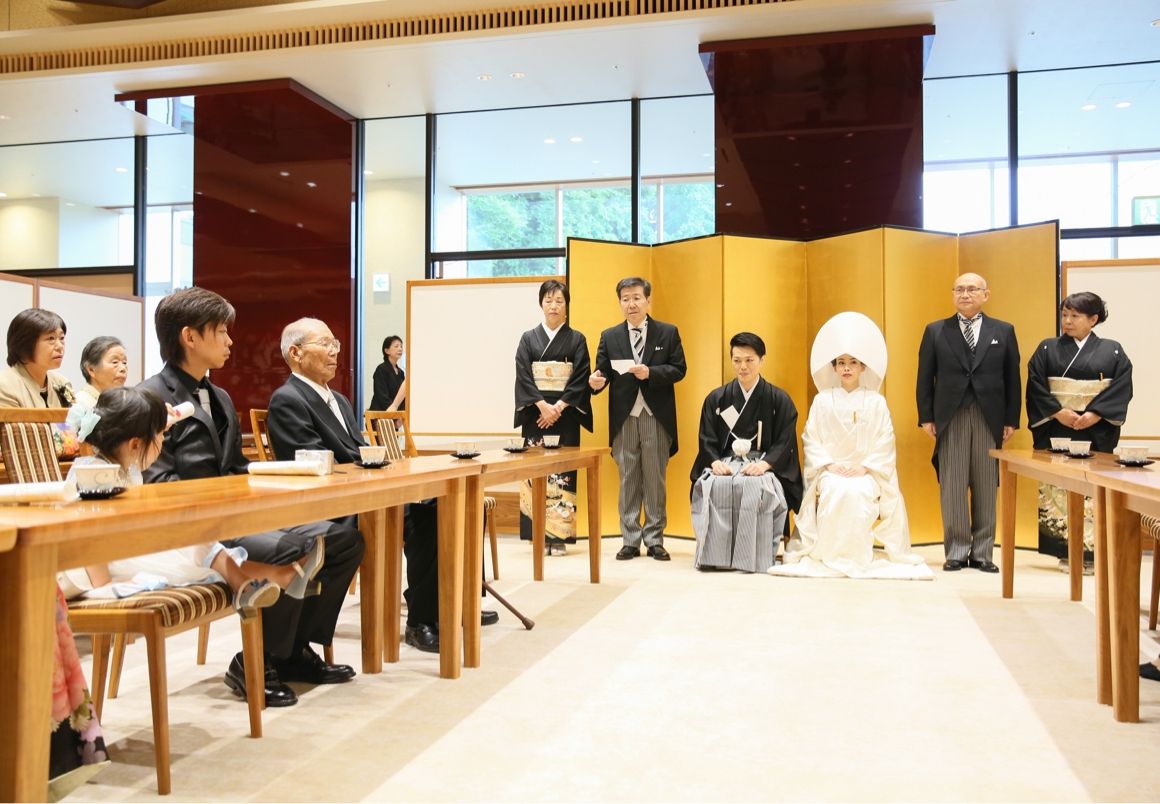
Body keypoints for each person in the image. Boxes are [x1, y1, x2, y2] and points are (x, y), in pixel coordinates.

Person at [139, 288, 364, 708]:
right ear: (190, 337)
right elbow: (157, 483)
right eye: (221, 332)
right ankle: (257, 660)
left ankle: (294, 650)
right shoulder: (150, 399)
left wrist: (276, 479)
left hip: (233, 517)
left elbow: (237, 467)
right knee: (292, 546)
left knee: (343, 539)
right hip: (192, 529)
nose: (231, 341)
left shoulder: (220, 396)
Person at [266, 317, 497, 655]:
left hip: (369, 494)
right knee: (427, 514)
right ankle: (421, 620)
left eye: (335, 344)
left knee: (455, 502)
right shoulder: (288, 399)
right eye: (325, 344)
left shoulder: (339, 400)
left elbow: (360, 452)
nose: (334, 352)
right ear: (296, 353)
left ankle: (453, 602)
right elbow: (314, 465)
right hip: (337, 505)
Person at [61, 386, 323, 612]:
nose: (163, 441)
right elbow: (89, 535)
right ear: (135, 444)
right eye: (160, 435)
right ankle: (260, 581)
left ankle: (261, 581)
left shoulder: (122, 466)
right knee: (197, 545)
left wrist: (162, 418)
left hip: (121, 552)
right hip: (103, 565)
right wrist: (104, 584)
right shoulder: (97, 476)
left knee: (199, 542)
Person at [770, 313, 931, 580]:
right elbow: (811, 438)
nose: (847, 368)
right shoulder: (822, 400)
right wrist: (829, 465)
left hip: (866, 472)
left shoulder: (876, 402)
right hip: (830, 470)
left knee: (857, 493)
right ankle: (829, 553)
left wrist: (865, 467)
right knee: (835, 490)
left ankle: (858, 556)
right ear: (834, 367)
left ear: (862, 367)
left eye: (853, 362)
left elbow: (885, 440)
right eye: (841, 363)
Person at [917, 272, 1021, 573]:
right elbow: (924, 376)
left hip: (990, 415)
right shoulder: (936, 330)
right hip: (950, 415)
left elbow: (1013, 378)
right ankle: (956, 551)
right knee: (952, 483)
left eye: (972, 289)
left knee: (987, 484)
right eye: (960, 289)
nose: (965, 294)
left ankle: (983, 553)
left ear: (985, 295)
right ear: (953, 294)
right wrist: (926, 416)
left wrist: (1011, 419)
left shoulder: (1003, 330)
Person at [1026, 292, 1132, 566]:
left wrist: (1096, 413)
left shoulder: (1113, 350)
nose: (1067, 321)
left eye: (1075, 316)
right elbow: (1035, 384)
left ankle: (1092, 553)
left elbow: (1122, 386)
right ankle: (1064, 552)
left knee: (1092, 490)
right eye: (1064, 315)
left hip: (1095, 430)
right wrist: (1057, 412)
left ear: (1093, 319)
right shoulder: (1047, 348)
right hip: (1057, 428)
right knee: (1057, 490)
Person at [589, 277, 686, 561]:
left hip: (656, 416)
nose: (631, 304)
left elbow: (679, 369)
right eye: (625, 299)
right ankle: (630, 539)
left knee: (655, 478)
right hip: (625, 417)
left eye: (636, 298)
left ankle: (655, 539)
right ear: (620, 302)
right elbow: (602, 372)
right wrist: (595, 381)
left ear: (648, 301)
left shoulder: (667, 332)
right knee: (628, 478)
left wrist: (651, 373)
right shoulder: (609, 336)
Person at [690, 332, 801, 573]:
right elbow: (706, 438)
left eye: (749, 360)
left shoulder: (778, 400)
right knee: (716, 484)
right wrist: (714, 462)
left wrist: (765, 464)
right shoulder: (717, 398)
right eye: (737, 360)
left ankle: (756, 555)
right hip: (725, 462)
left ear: (762, 360)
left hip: (763, 464)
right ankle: (715, 556)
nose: (743, 366)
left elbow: (785, 441)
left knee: (758, 486)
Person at [514, 279, 592, 555]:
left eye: (559, 301)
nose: (554, 306)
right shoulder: (528, 338)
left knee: (563, 473)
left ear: (566, 306)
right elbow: (523, 375)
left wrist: (557, 407)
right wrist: (541, 406)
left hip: (565, 414)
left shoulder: (577, 339)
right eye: (548, 301)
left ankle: (559, 536)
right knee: (535, 473)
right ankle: (537, 534)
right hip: (535, 415)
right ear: (541, 304)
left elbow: (581, 376)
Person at [0, 308, 76, 408]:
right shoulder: (4, 385)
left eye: (61, 338)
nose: (60, 346)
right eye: (51, 338)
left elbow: (74, 417)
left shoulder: (61, 382)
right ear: (25, 343)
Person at [74, 336, 129, 409]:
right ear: (91, 370)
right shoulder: (79, 404)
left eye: (124, 363)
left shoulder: (123, 403)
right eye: (115, 362)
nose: (123, 368)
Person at [368, 335, 406, 412]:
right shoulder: (381, 369)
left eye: (401, 346)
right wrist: (392, 412)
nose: (400, 349)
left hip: (395, 413)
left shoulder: (401, 372)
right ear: (387, 351)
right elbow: (381, 395)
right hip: (381, 412)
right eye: (396, 346)